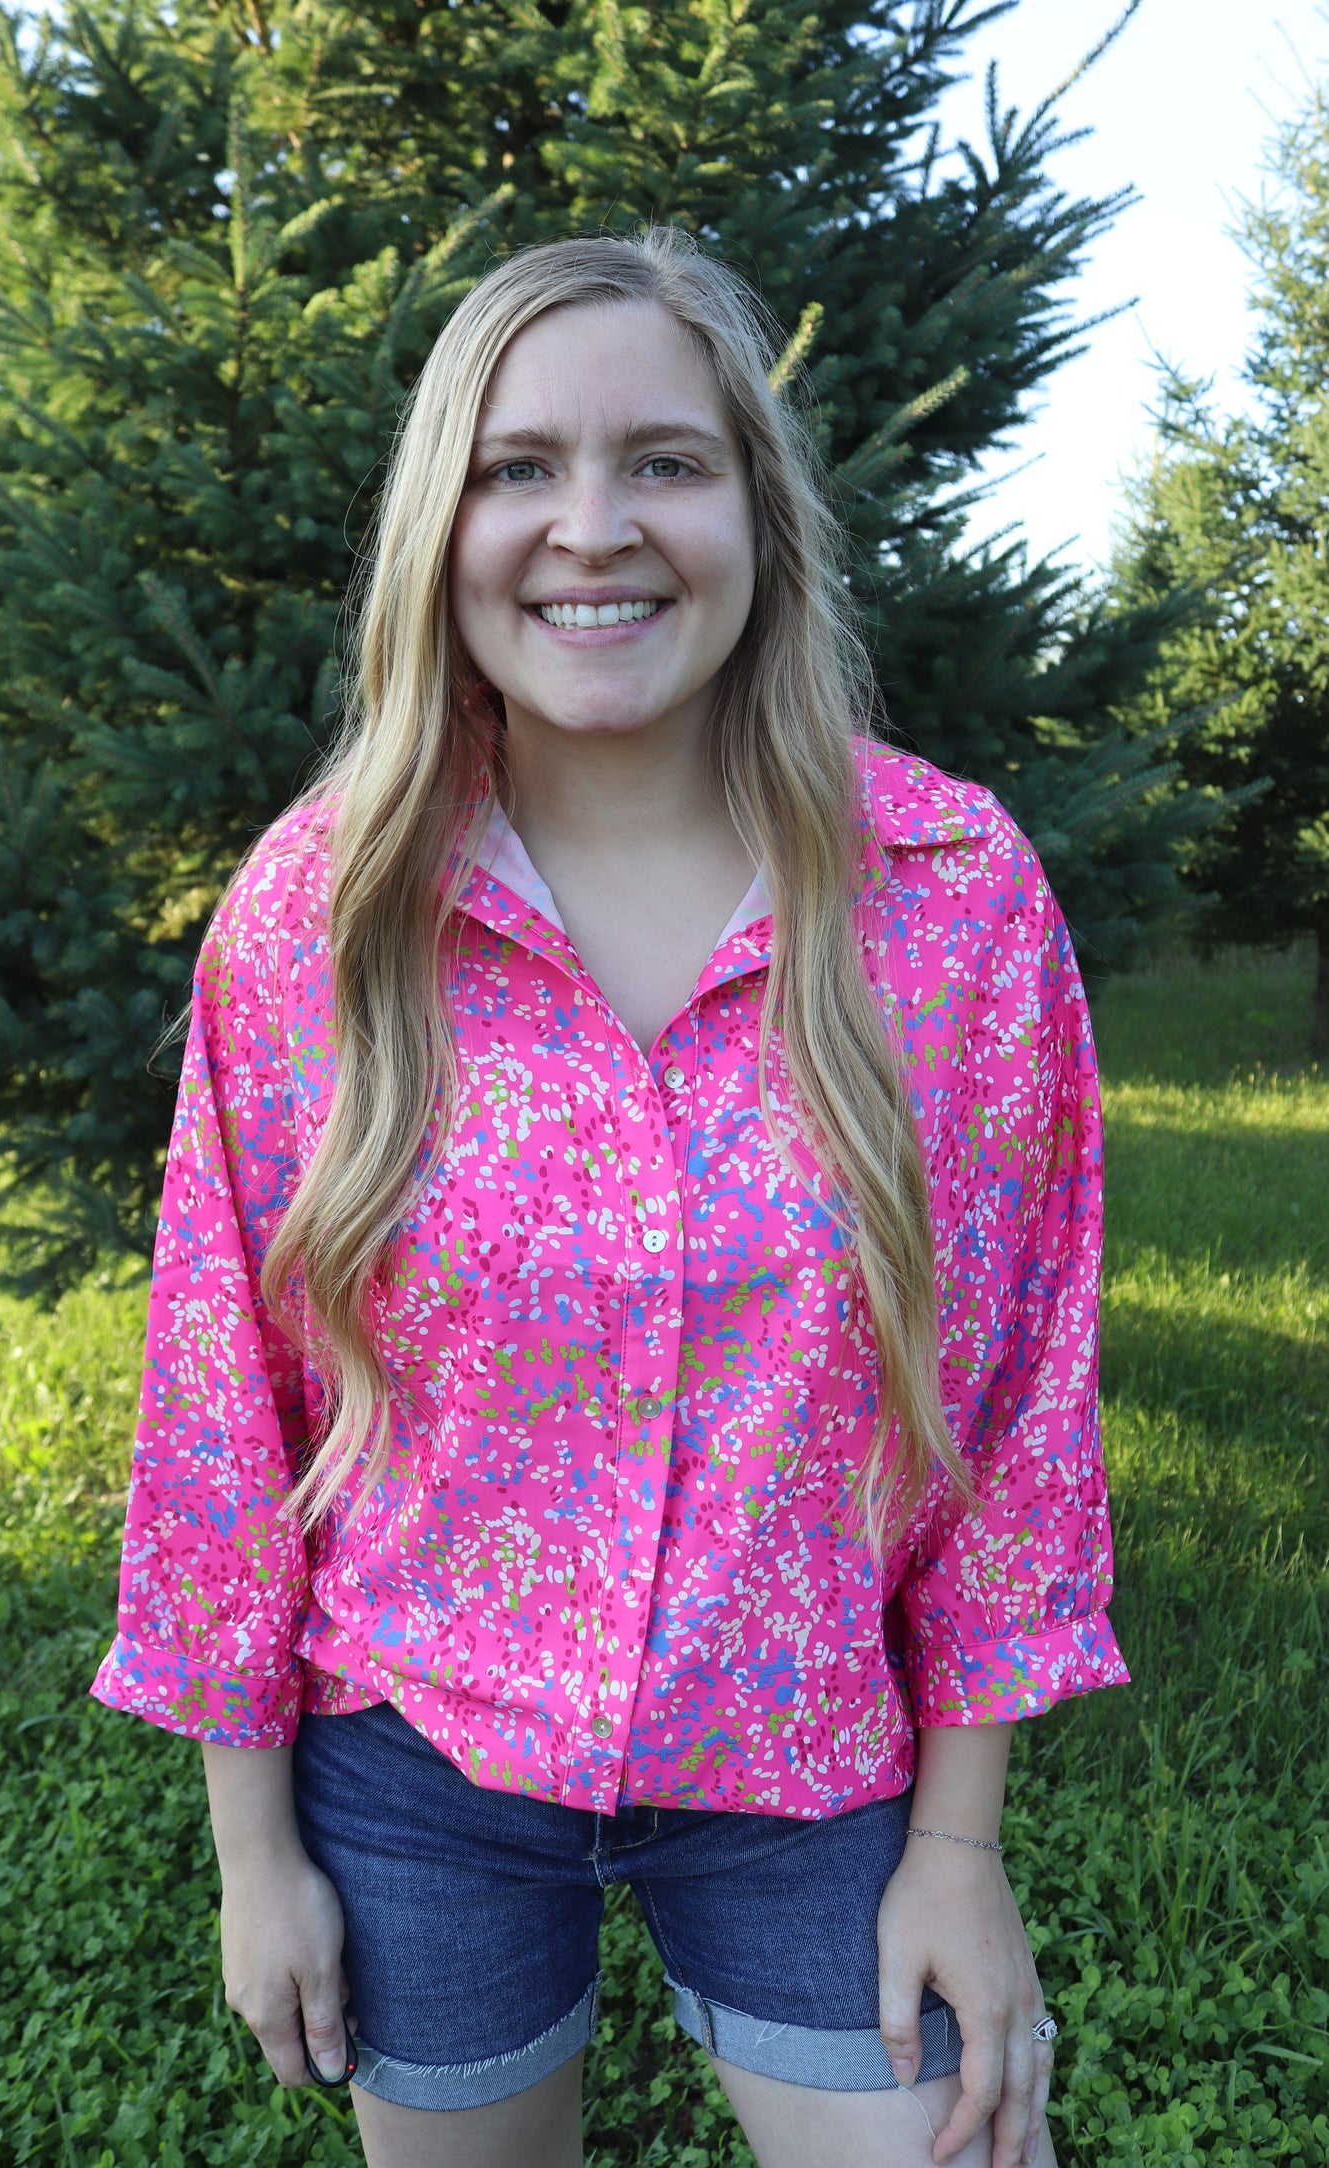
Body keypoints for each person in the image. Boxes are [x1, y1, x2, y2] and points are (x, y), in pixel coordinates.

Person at [92, 229, 1128, 2168]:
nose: (593, 526)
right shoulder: (317, 921)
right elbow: (221, 1408)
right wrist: (256, 1853)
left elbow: (1014, 1412)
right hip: (423, 1765)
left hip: (808, 1754)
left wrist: (962, 1849)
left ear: (754, 504)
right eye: (519, 469)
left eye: (663, 459)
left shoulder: (953, 900)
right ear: (445, 526)